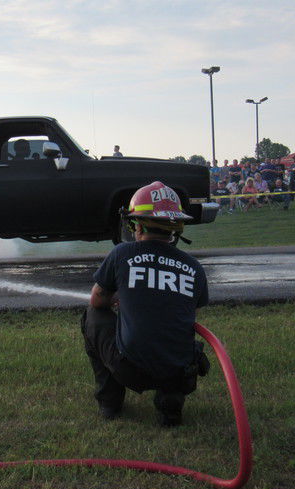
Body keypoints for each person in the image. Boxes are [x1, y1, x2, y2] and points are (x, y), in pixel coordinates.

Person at [82, 181, 209, 426]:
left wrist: (120, 298)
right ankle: (170, 403)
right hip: (179, 371)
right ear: (175, 227)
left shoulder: (121, 253)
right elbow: (187, 311)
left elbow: (97, 300)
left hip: (131, 370)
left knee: (92, 316)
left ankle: (110, 403)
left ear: (137, 225)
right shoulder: (194, 267)